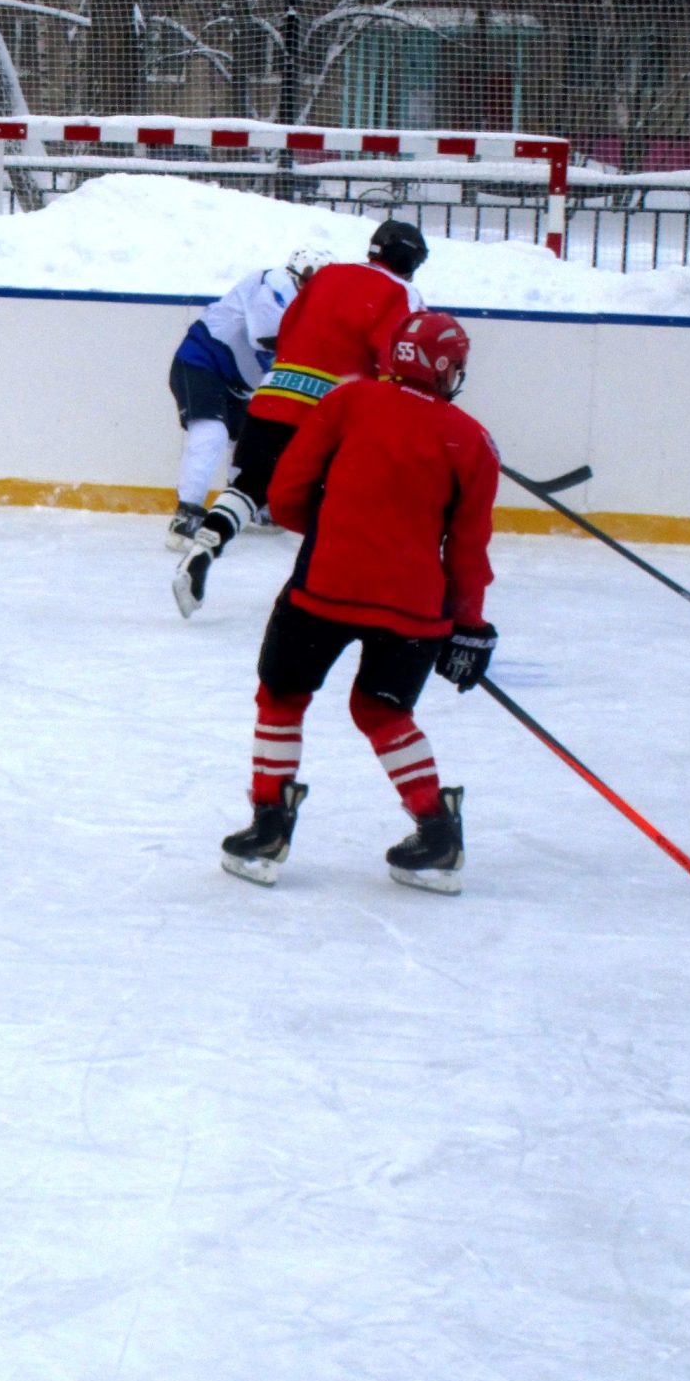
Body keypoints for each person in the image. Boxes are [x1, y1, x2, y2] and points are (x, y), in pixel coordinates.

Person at [219, 310, 499, 894]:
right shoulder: (472, 439)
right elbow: (468, 550)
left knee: (282, 695)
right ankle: (437, 831)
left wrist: (329, 531)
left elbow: (286, 491)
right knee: (383, 713)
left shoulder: (348, 402)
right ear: (447, 370)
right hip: (415, 606)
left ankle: (270, 825)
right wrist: (468, 628)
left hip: (326, 587)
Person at [175, 218, 428, 616]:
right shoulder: (403, 293)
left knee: (248, 487)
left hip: (273, 393)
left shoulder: (326, 277)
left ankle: (206, 545)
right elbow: (396, 357)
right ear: (412, 262)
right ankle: (317, 589)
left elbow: (288, 329)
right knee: (336, 501)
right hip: (328, 412)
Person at [165, 250, 330, 549]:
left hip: (238, 382)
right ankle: (186, 516)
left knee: (246, 444)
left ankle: (245, 507)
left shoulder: (301, 298)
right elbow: (264, 336)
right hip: (201, 362)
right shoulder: (275, 284)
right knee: (211, 434)